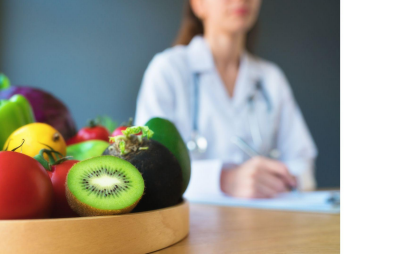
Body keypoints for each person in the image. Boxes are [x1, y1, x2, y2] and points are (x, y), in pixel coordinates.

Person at [135, 0, 317, 199]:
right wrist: (225, 180)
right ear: (198, 5)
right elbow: (148, 170)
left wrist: (282, 179)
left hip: (268, 222)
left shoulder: (270, 78)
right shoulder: (168, 70)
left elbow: (302, 165)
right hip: (195, 225)